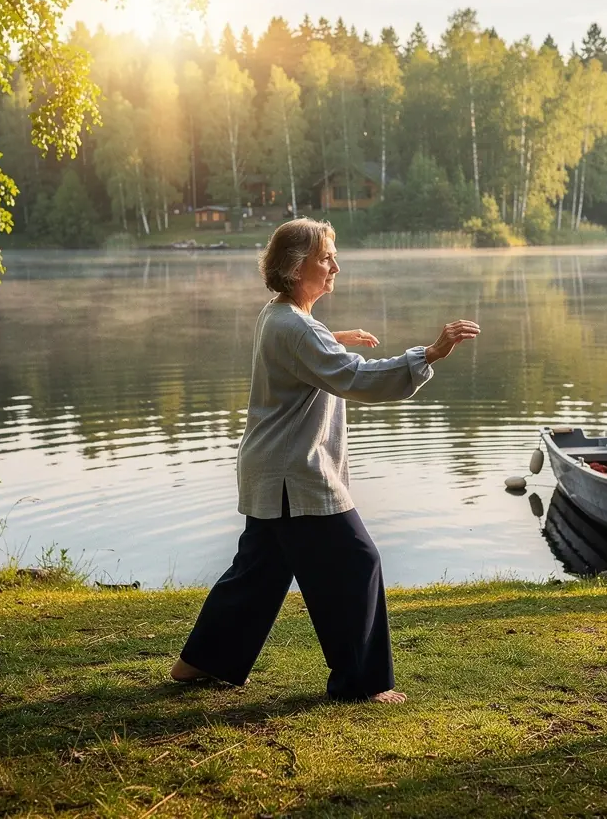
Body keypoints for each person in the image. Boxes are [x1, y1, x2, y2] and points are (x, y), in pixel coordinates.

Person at [170, 217, 479, 703]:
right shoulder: (297, 328)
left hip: (269, 468)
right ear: (297, 268)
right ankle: (361, 683)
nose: (336, 265)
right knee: (358, 562)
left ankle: (202, 661)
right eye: (326, 258)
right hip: (295, 475)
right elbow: (357, 379)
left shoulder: (279, 316)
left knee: (258, 572)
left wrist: (330, 337)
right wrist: (430, 354)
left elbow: (299, 346)